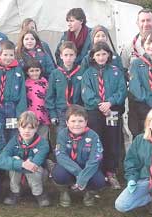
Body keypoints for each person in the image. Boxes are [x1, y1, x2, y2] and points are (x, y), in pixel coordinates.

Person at [81, 42, 127, 189]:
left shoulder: (115, 71)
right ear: (93, 56)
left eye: (104, 54)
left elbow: (122, 90)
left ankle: (111, 171)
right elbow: (86, 92)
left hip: (112, 110)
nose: (101, 57)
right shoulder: (88, 73)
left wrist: (110, 103)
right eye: (98, 54)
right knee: (96, 140)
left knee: (112, 141)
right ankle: (97, 171)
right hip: (95, 111)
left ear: (109, 55)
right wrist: (100, 104)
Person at [0, 111, 50, 207]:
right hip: (18, 174)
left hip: (38, 173)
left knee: (33, 167)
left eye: (30, 128)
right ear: (19, 128)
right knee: (15, 161)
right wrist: (20, 163)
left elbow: (37, 161)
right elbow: (1, 160)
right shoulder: (13, 141)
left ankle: (39, 193)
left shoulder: (43, 143)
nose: (27, 131)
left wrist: (30, 162)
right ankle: (15, 192)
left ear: (36, 128)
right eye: (23, 127)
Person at [51, 104, 105, 207]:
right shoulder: (62, 134)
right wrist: (79, 173)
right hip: (69, 168)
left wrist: (84, 176)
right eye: (73, 121)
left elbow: (95, 159)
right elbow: (61, 156)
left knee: (100, 181)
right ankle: (64, 192)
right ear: (67, 122)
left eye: (80, 121)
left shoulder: (93, 136)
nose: (77, 124)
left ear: (86, 122)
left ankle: (89, 194)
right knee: (58, 174)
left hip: (87, 167)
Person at [0, 40, 27, 141]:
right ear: (0, 54)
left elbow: (22, 92)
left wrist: (20, 112)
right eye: (5, 54)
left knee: (12, 133)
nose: (8, 58)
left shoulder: (18, 70)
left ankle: (11, 154)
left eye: (11, 55)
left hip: (12, 108)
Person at [46, 41, 83, 129]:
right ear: (61, 56)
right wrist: (53, 114)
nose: (68, 58)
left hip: (78, 111)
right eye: (66, 55)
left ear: (75, 56)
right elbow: (50, 95)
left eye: (71, 55)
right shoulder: (55, 74)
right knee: (62, 137)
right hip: (61, 112)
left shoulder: (81, 72)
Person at [24, 59, 50, 138]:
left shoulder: (45, 83)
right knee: (30, 136)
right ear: (27, 72)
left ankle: (43, 150)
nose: (34, 73)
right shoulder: (25, 84)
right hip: (30, 115)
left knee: (43, 137)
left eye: (37, 70)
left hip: (44, 115)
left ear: (41, 71)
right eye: (32, 71)